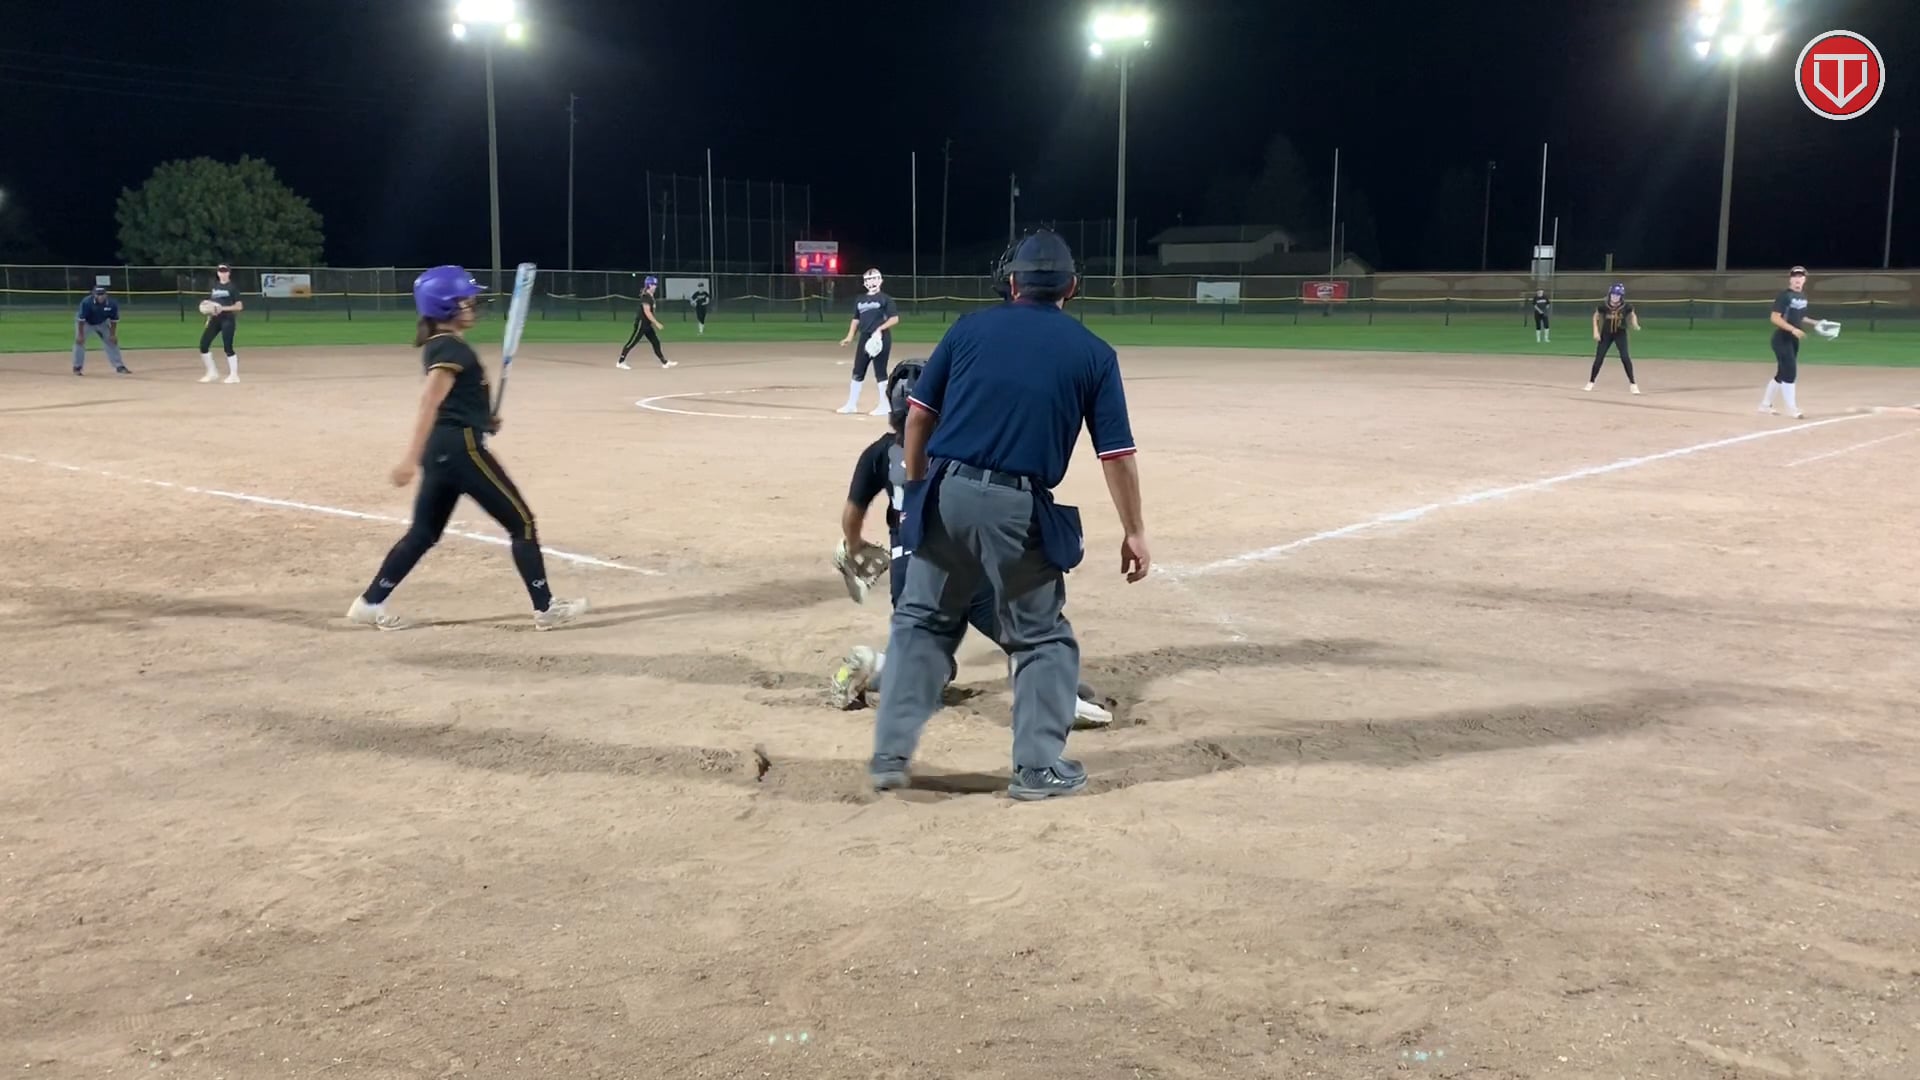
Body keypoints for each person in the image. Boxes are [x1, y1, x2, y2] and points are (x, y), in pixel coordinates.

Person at [869, 230, 1148, 800]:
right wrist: (1134, 531)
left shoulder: (969, 328)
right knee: (1042, 638)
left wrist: (918, 490)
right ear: (1072, 287)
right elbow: (1116, 455)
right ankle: (1037, 769)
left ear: (1013, 282)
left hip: (946, 489)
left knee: (921, 624)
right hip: (1017, 506)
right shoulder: (1094, 353)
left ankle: (890, 756)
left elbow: (918, 417)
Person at [830, 359, 1115, 727]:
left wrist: (854, 546)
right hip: (969, 567)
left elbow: (852, 515)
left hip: (911, 577)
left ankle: (879, 665)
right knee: (1023, 634)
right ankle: (1056, 693)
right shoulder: (960, 447)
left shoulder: (876, 455)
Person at [346, 265, 589, 632]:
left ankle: (369, 603)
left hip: (444, 449)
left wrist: (482, 419)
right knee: (522, 522)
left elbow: (454, 402)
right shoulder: (449, 348)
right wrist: (408, 459)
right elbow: (430, 402)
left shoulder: (443, 345)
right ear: (443, 306)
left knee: (423, 534)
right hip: (462, 450)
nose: (472, 305)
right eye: (464, 300)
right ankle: (546, 608)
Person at [1761, 266, 1841, 419]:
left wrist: (1816, 322)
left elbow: (1801, 317)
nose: (1798, 279)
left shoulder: (1803, 296)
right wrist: (1792, 329)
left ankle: (1765, 405)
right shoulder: (1784, 296)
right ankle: (1792, 409)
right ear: (1790, 279)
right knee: (1790, 372)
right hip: (1782, 338)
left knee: (1782, 373)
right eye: (1795, 276)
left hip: (1793, 339)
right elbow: (1775, 318)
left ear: (1805, 279)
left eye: (1801, 276)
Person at [836, 267, 899, 416]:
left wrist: (880, 329)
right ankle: (851, 405)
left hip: (880, 337)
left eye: (875, 279)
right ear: (864, 283)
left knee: (880, 371)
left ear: (881, 281)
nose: (872, 282)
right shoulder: (860, 299)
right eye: (868, 280)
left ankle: (885, 405)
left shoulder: (885, 299)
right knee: (858, 370)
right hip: (864, 337)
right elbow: (856, 320)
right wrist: (850, 336)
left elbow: (894, 319)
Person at [1586, 282, 1641, 394]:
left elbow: (1632, 314)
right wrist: (1595, 331)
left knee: (1625, 357)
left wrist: (1635, 323)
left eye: (1618, 295)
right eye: (1613, 294)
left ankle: (1633, 383)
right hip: (1606, 334)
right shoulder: (1604, 306)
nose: (1615, 297)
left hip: (1620, 333)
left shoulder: (1626, 306)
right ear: (1610, 294)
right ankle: (1591, 382)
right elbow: (1596, 316)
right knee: (1599, 358)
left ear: (1621, 296)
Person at [198, 263, 243, 384]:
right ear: (218, 273)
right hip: (215, 320)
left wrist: (223, 308)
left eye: (225, 271)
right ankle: (212, 373)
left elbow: (239, 306)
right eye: (220, 271)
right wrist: (209, 316)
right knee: (203, 345)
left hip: (227, 319)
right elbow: (212, 304)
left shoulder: (232, 287)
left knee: (228, 347)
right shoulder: (214, 286)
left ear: (229, 273)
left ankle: (234, 375)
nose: (223, 273)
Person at [617, 276, 675, 370]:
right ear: (649, 285)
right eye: (654, 284)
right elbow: (647, 312)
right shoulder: (646, 297)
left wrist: (651, 323)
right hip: (641, 324)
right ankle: (620, 362)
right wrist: (656, 323)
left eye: (655, 284)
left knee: (656, 342)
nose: (655, 286)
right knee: (632, 342)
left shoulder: (650, 296)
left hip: (647, 324)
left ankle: (664, 362)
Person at [73, 284, 130, 376]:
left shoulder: (111, 304)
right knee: (79, 342)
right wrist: (80, 335)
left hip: (102, 323)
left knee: (111, 341)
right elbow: (81, 319)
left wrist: (112, 334)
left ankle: (119, 366)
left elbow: (114, 320)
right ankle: (77, 367)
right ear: (93, 294)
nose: (100, 296)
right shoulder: (87, 302)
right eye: (98, 294)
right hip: (86, 323)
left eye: (102, 294)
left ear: (106, 295)